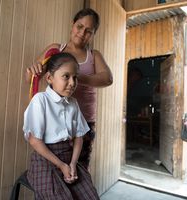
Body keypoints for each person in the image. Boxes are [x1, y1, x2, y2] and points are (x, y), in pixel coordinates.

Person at [26, 8, 113, 170]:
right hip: (54, 119)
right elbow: (31, 79)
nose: (82, 33)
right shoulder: (55, 50)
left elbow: (107, 78)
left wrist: (76, 76)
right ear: (72, 25)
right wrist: (34, 69)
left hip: (84, 120)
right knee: (55, 167)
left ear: (93, 34)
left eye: (89, 31)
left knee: (79, 168)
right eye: (79, 26)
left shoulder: (94, 55)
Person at [23, 52, 100, 199]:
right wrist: (61, 165)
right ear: (49, 78)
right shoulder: (40, 100)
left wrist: (72, 163)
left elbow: (79, 137)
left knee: (89, 195)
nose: (72, 83)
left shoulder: (73, 103)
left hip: (69, 157)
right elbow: (34, 140)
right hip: (45, 160)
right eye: (66, 76)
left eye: (75, 77)